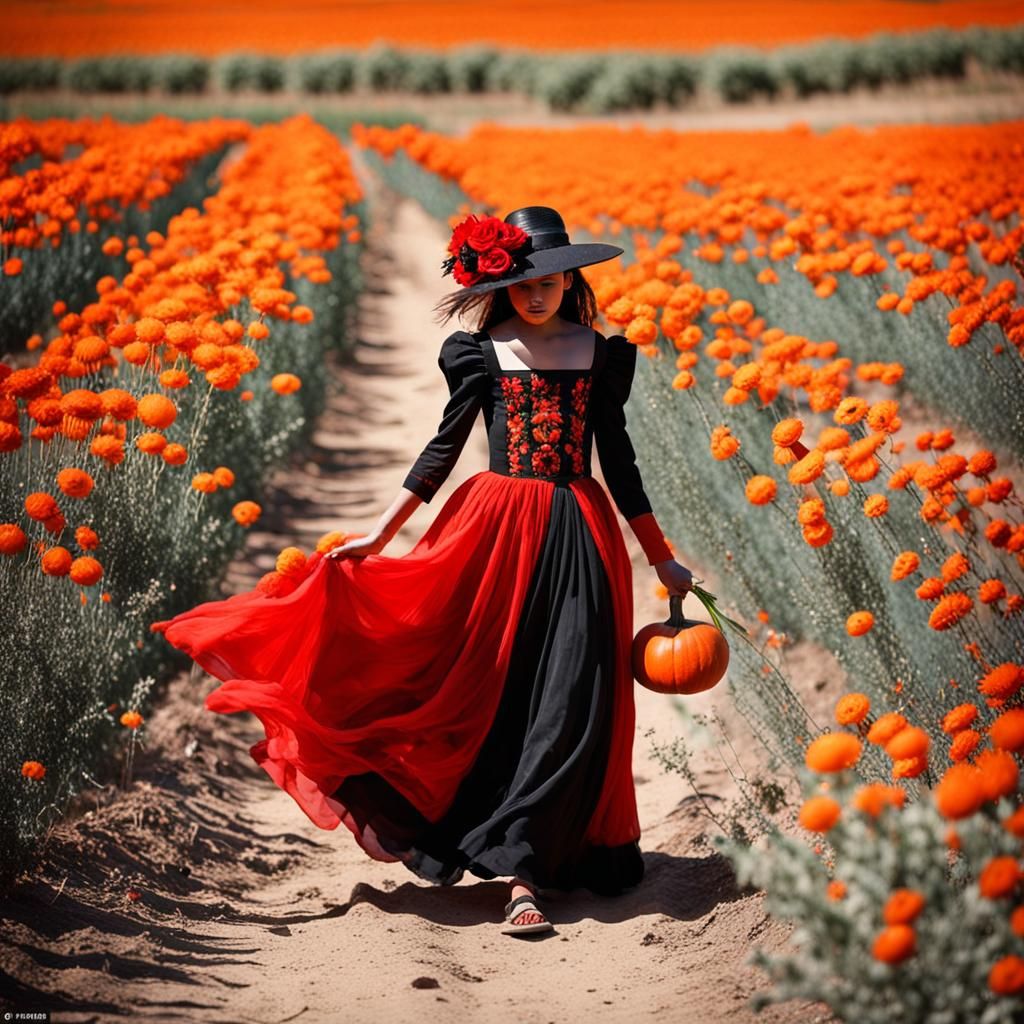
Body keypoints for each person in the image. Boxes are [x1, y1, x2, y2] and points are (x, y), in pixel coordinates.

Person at [151, 205, 694, 938]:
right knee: (489, 694)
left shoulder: (600, 354)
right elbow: (441, 453)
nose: (538, 293)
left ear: (572, 280)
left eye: (553, 279)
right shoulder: (481, 352)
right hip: (497, 533)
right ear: (500, 284)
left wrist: (660, 556)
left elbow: (620, 465)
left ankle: (537, 860)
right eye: (524, 281)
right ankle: (517, 871)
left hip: (584, 539)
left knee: (573, 699)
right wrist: (379, 536)